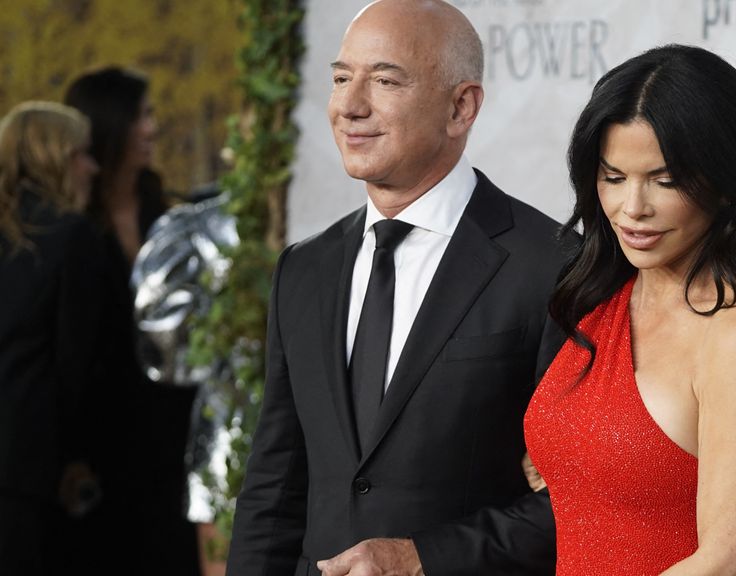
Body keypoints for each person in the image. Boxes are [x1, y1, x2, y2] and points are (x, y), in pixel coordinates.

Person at [227, 1, 573, 575]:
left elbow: (587, 499)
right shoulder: (304, 270)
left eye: (385, 81)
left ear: (461, 107)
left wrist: (422, 558)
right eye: (342, 78)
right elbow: (275, 484)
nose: (350, 106)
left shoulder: (554, 266)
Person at [523, 44, 736, 575]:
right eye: (613, 177)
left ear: (727, 183)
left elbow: (729, 563)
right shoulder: (603, 297)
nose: (632, 208)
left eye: (665, 181)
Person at [65, 67, 200, 574]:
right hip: (102, 441)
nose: (152, 128)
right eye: (142, 115)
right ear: (111, 124)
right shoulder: (73, 226)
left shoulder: (167, 215)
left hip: (172, 433)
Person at [0, 101, 101, 573]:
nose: (93, 167)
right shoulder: (68, 235)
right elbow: (75, 363)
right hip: (27, 470)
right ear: (53, 158)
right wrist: (78, 457)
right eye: (82, 153)